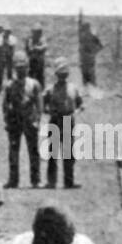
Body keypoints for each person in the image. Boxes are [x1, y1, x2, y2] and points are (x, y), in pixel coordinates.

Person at [2, 50, 42, 189]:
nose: (21, 71)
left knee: (33, 151)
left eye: (23, 67)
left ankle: (35, 180)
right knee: (13, 151)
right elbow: (5, 104)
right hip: (15, 121)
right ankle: (13, 180)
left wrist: (38, 120)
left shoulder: (34, 84)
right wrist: (6, 120)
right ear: (14, 69)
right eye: (18, 68)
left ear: (28, 68)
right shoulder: (9, 85)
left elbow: (39, 104)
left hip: (30, 120)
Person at [42, 61, 82, 189]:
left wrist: (75, 112)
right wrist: (47, 110)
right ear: (56, 75)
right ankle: (51, 181)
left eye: (65, 74)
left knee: (69, 153)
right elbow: (42, 104)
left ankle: (68, 181)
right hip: (55, 119)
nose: (62, 76)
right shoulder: (50, 89)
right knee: (53, 152)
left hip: (68, 120)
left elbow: (81, 104)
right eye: (60, 74)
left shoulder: (73, 88)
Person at [79, 21, 103, 87]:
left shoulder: (92, 37)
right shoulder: (83, 38)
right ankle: (89, 93)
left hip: (89, 62)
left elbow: (100, 46)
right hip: (84, 62)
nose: (85, 31)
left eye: (86, 29)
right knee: (85, 80)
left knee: (91, 80)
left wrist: (93, 53)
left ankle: (94, 93)